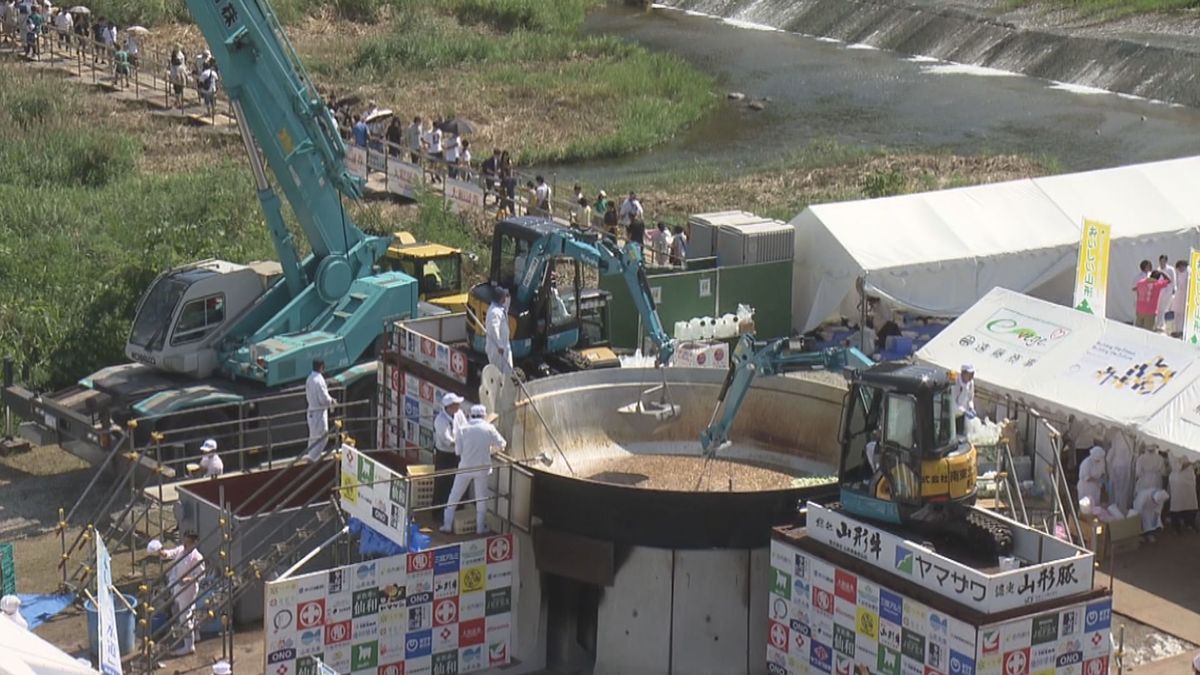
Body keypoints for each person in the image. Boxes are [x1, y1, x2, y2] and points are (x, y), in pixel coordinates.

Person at [441, 404, 506, 535]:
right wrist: (491, 451)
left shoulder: (462, 429)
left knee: (454, 496)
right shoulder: (489, 428)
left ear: (471, 415)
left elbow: (458, 451)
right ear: (483, 416)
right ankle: (480, 528)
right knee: (481, 498)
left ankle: (447, 525)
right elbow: (502, 444)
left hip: (465, 467)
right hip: (482, 468)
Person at [160, 531, 204, 656]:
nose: (185, 545)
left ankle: (189, 646)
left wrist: (188, 579)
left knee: (185, 616)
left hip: (188, 589)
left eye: (188, 543)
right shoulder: (181, 550)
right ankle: (196, 635)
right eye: (184, 542)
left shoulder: (197, 557)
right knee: (190, 610)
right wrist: (163, 553)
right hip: (178, 587)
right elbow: (171, 553)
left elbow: (200, 575)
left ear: (195, 543)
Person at [433, 393, 466, 507]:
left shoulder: (459, 414)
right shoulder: (440, 421)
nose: (458, 407)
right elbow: (447, 440)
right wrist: (461, 441)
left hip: (456, 454)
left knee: (456, 481)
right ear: (450, 407)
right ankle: (438, 511)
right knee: (442, 483)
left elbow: (465, 428)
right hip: (444, 455)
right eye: (456, 404)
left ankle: (455, 507)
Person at [304, 359, 334, 461]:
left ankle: (311, 456)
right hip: (318, 413)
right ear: (321, 367)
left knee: (313, 437)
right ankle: (314, 459)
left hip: (311, 411)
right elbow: (323, 399)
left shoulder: (309, 378)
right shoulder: (320, 380)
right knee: (323, 436)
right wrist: (331, 401)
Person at [485, 286, 513, 375]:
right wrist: (499, 345)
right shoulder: (494, 312)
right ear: (501, 298)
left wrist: (508, 295)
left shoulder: (501, 308)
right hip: (497, 349)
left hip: (505, 346)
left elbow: (507, 305)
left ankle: (507, 387)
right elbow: (494, 329)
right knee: (498, 374)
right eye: (504, 296)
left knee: (508, 371)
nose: (506, 297)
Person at [1168, 455, 1199, 533]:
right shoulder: (1172, 451)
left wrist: (1196, 462)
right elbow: (1177, 467)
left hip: (1189, 479)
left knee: (1191, 504)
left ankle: (1189, 523)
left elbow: (1194, 464)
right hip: (1178, 480)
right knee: (1177, 504)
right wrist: (1191, 462)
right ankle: (1176, 526)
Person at [1106, 429, 1134, 513]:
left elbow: (1111, 454)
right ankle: (1121, 509)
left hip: (1116, 466)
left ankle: (1115, 509)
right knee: (1123, 490)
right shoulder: (1129, 439)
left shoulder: (1117, 436)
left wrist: (1108, 469)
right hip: (1125, 467)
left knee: (1116, 489)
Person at [952, 364, 976, 435]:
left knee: (961, 433)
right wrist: (964, 411)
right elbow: (953, 403)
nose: (972, 376)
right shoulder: (955, 383)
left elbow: (970, 398)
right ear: (963, 373)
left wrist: (971, 408)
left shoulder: (971, 383)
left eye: (973, 374)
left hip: (962, 415)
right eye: (970, 374)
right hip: (953, 415)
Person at [1156, 254, 1177, 331]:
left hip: (1168, 291)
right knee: (1159, 308)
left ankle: (1162, 325)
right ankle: (1158, 324)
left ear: (1166, 261)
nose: (1162, 262)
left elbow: (1173, 280)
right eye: (1161, 261)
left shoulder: (1170, 269)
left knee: (1164, 308)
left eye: (1164, 261)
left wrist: (1174, 289)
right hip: (1159, 291)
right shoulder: (1158, 269)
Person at [1172, 259, 1190, 338]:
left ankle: (1182, 331)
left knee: (1183, 315)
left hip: (1185, 296)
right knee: (1177, 314)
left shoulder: (1188, 273)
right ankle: (1176, 330)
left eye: (1181, 267)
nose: (1180, 268)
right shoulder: (1179, 273)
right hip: (1178, 295)